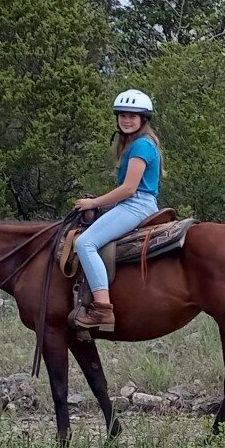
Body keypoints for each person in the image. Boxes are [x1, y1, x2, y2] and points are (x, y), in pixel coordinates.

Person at [71, 90, 163, 331]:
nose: (127, 120)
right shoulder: (137, 144)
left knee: (85, 243)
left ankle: (102, 309)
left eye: (133, 116)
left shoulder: (142, 145)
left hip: (136, 205)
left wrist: (94, 203)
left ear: (143, 120)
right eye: (123, 115)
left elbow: (130, 188)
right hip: (136, 204)